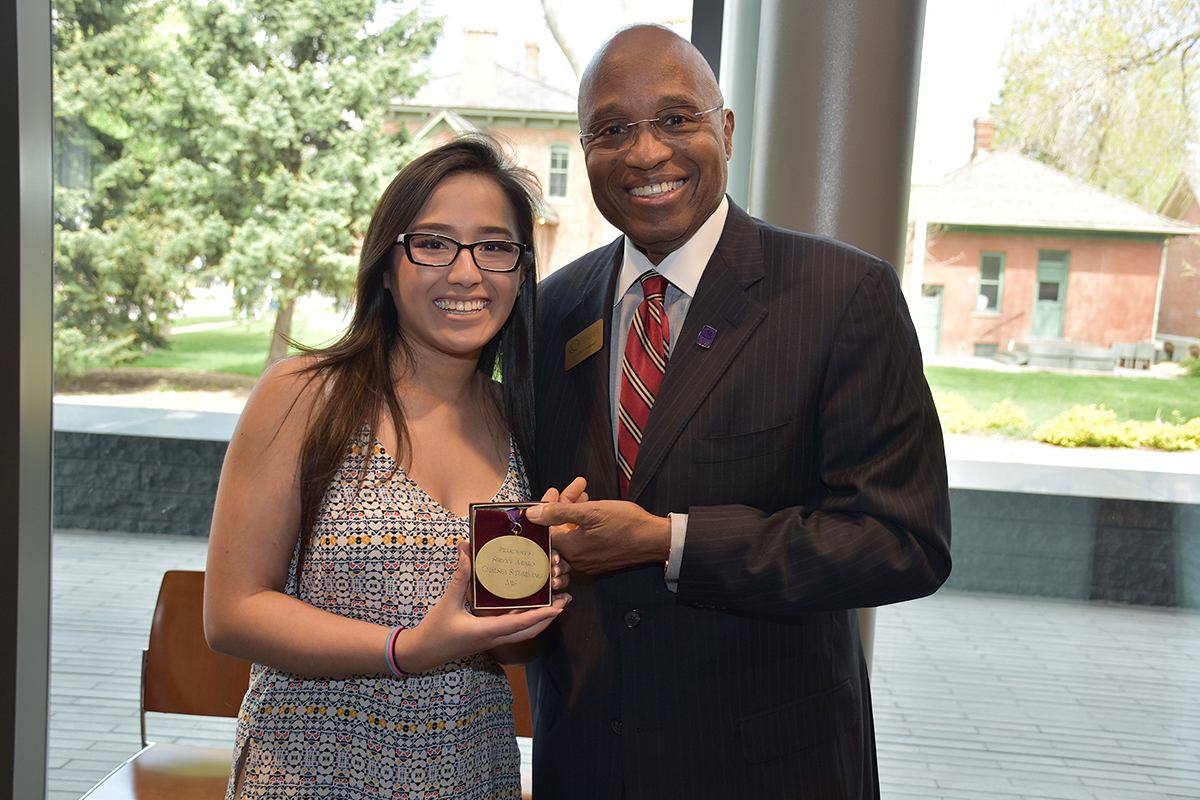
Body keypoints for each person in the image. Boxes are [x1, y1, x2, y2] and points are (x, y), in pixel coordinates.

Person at [523, 24, 952, 799]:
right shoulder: (547, 315)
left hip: (769, 768)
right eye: (613, 129)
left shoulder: (841, 295)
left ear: (724, 129)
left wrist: (666, 541)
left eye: (676, 119)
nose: (646, 153)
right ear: (584, 151)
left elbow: (902, 542)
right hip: (586, 762)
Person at [203, 134, 578, 800]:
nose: (466, 273)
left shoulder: (519, 420)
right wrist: (408, 646)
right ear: (386, 264)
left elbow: (508, 648)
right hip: (313, 772)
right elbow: (232, 612)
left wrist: (536, 594)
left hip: (470, 773)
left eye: (494, 247)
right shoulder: (303, 394)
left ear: (521, 273)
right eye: (433, 243)